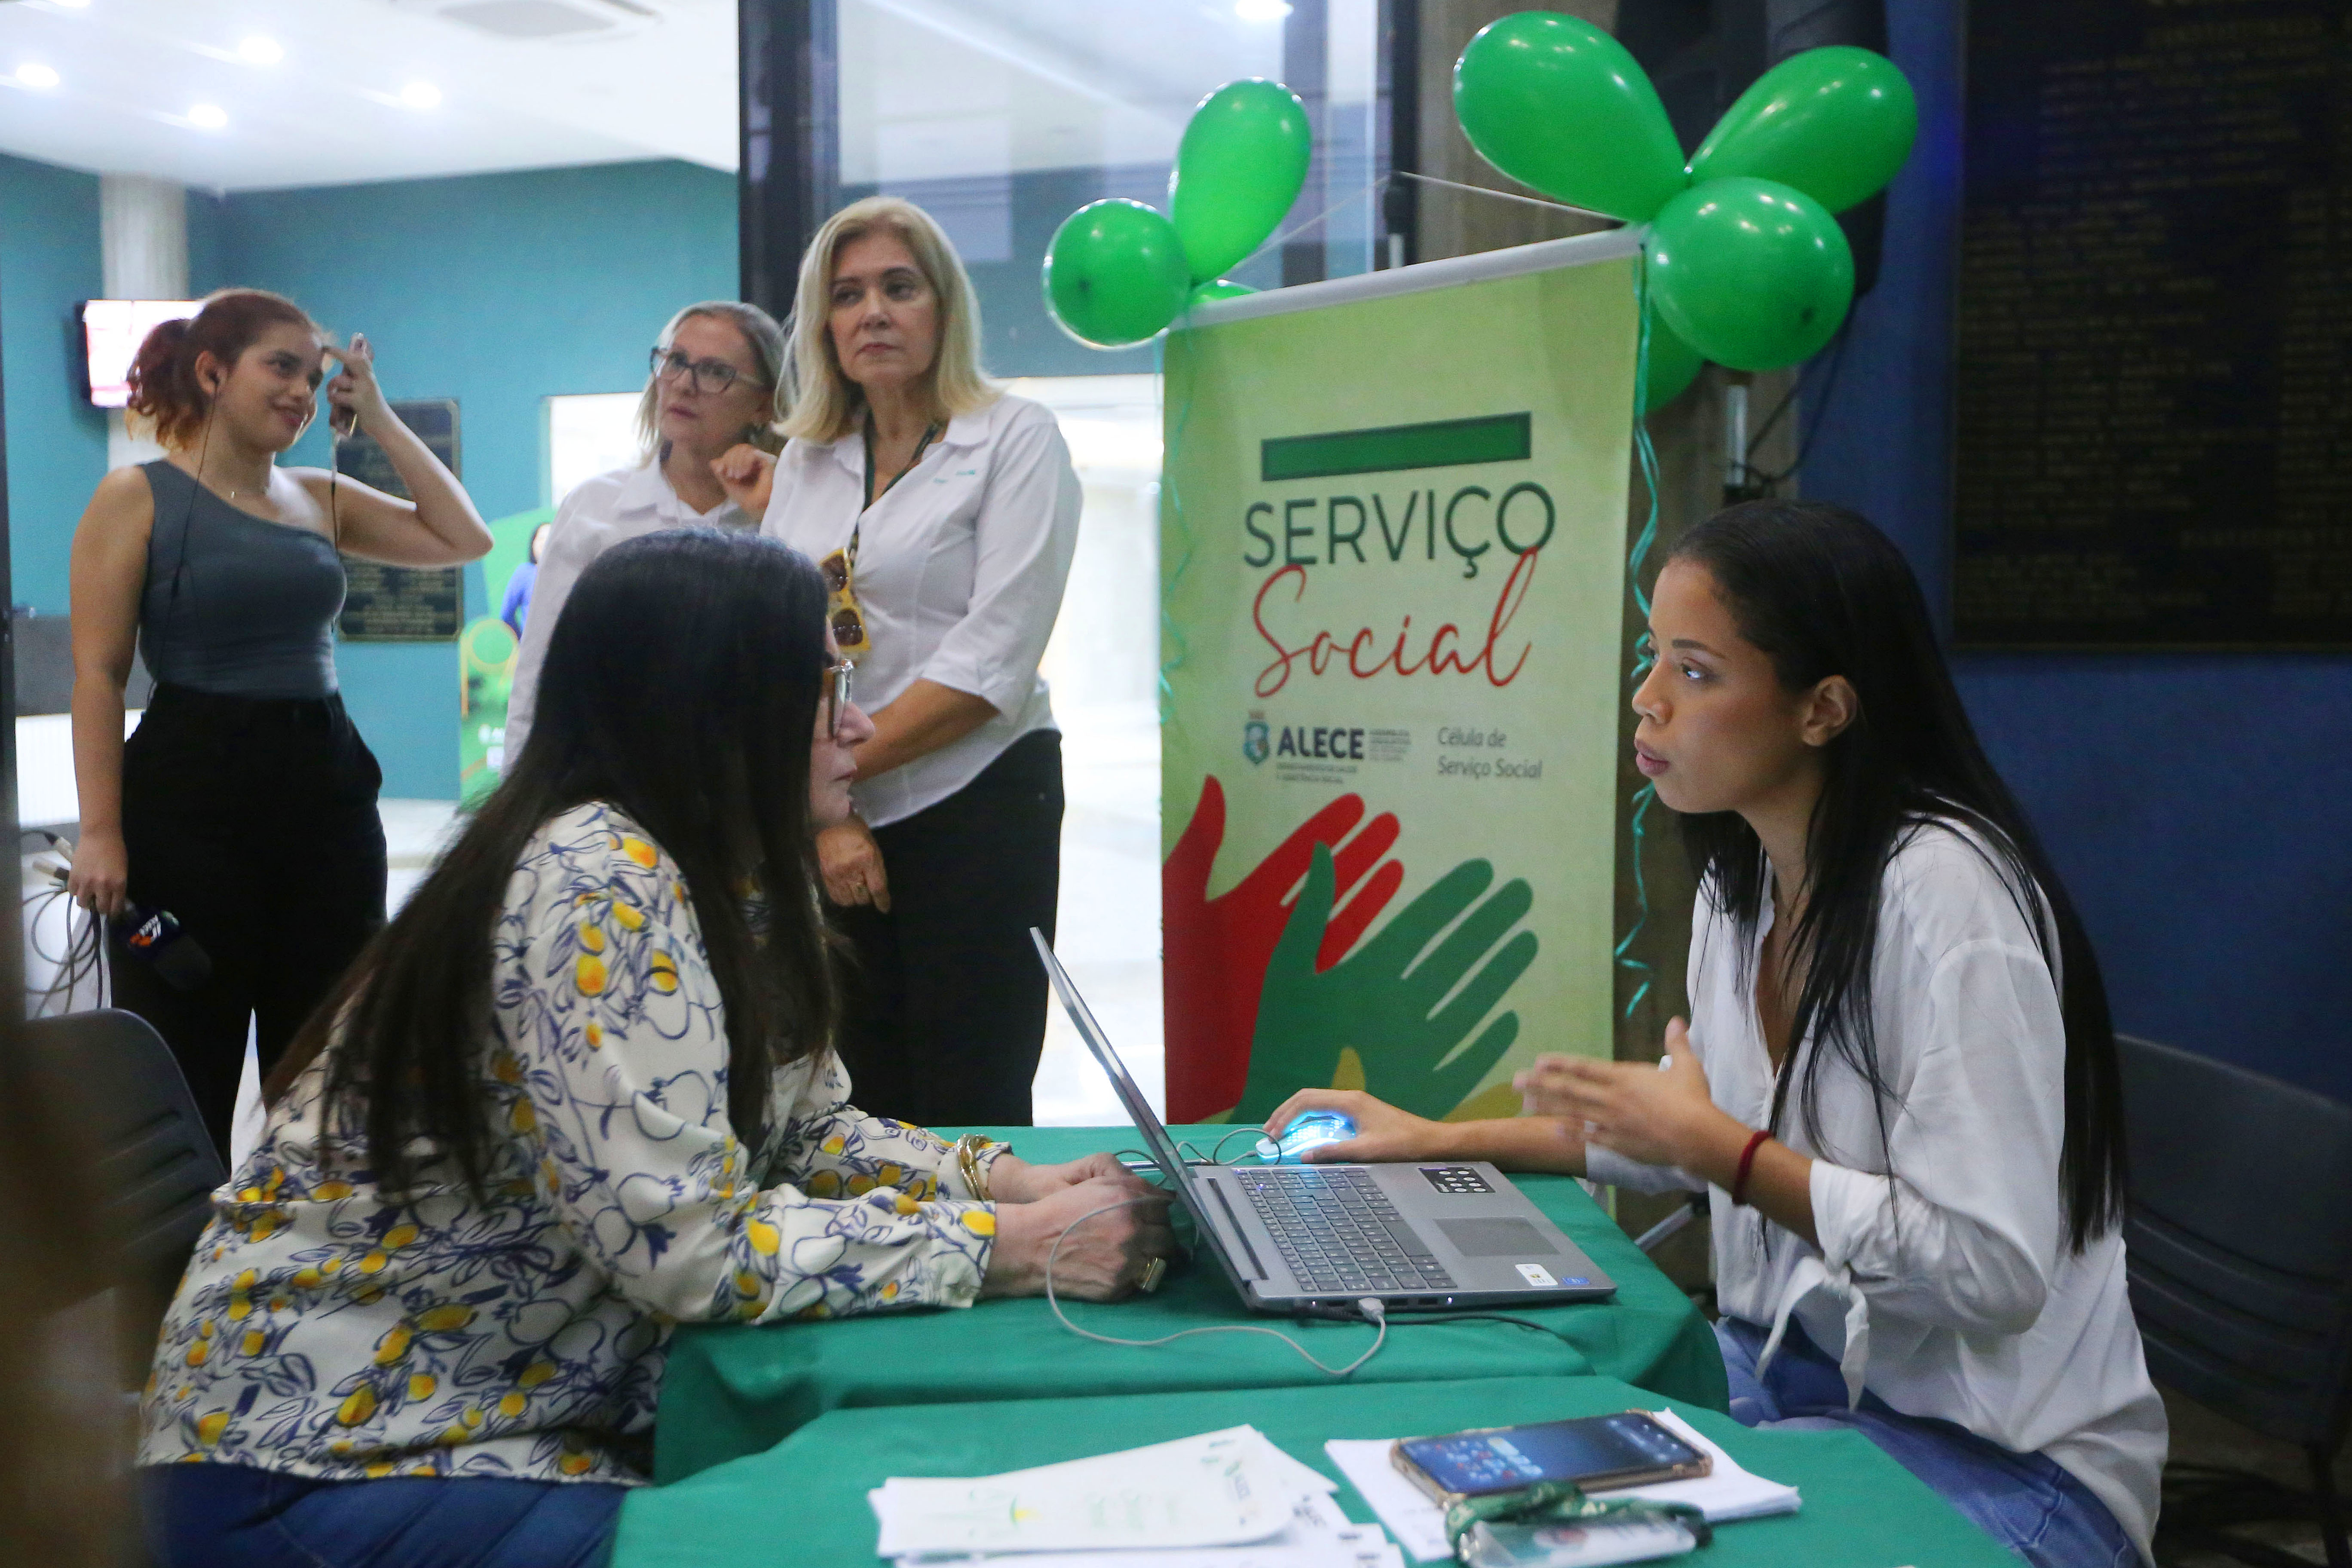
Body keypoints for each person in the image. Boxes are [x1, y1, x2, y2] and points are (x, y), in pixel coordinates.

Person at [136, 529, 1174, 1568]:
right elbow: (689, 1251)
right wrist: (1012, 1247)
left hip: (490, 1419)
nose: (856, 722)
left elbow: (808, 1131)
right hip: (317, 1465)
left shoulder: (722, 872)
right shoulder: (599, 881)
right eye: (828, 685)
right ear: (721, 709)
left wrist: (1004, 1184)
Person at [1263, 501, 2165, 1568]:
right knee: (1447, 1485)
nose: (1646, 699)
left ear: (1822, 709)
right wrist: (1430, 1140)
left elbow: (1990, 1269)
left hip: (2007, 1467)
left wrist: (1721, 1152)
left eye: (1694, 672)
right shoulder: (1741, 884)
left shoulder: (1946, 895)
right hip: (1796, 1387)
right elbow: (1689, 1124)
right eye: (1653, 657)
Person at [67, 288, 493, 1161]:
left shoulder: (321, 497)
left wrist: (378, 417)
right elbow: (99, 675)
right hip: (190, 794)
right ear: (213, 373)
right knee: (188, 1043)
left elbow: (463, 537)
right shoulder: (136, 496)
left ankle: (303, 1228)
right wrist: (101, 831)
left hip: (324, 790)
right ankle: (183, 1237)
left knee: (327, 1055)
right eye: (282, 368)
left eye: (313, 376)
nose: (302, 391)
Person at [721, 195, 1082, 1128]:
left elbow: (991, 665)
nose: (873, 312)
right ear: (824, 325)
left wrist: (821, 786)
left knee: (972, 1088)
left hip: (976, 797)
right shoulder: (808, 459)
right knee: (853, 1087)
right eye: (847, 295)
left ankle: (994, 1226)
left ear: (944, 308)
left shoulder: (1015, 437)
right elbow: (787, 641)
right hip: (838, 811)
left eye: (899, 287)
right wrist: (829, 814)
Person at [504, 300, 788, 753]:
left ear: (763, 404)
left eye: (715, 372)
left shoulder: (786, 512)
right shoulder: (597, 507)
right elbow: (541, 670)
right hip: (610, 777)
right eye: (676, 362)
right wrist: (521, 790)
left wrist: (774, 513)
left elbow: (813, 660)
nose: (684, 385)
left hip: (749, 772)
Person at [499, 521, 553, 637]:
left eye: (550, 538)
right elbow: (506, 614)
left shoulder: (570, 574)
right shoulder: (524, 573)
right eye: (541, 538)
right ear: (533, 544)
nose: (545, 543)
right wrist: (523, 641)